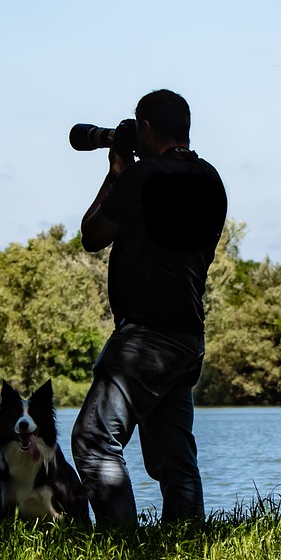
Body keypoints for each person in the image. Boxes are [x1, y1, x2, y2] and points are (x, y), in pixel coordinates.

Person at [71, 89, 227, 527]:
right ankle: (186, 543)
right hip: (186, 337)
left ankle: (120, 548)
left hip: (145, 337)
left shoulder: (144, 178)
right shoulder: (211, 180)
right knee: (174, 459)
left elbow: (93, 233)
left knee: (93, 439)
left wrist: (117, 169)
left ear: (147, 128)